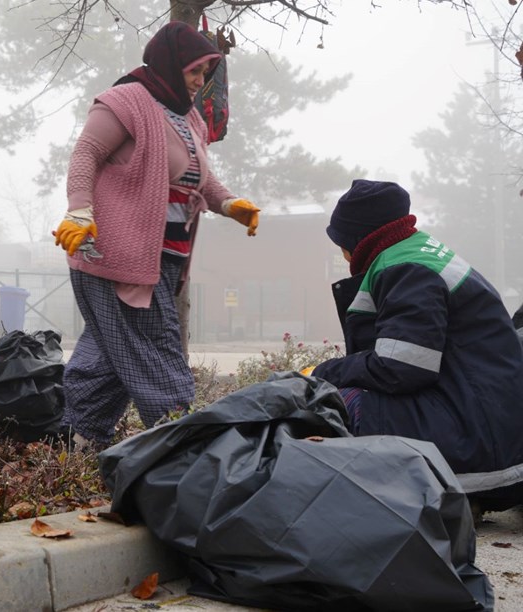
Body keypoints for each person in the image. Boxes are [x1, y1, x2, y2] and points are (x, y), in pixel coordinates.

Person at [54, 21, 261, 451]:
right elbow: (86, 154)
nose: (200, 82)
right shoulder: (125, 101)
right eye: (194, 72)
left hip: (164, 259)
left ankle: (79, 441)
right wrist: (78, 210)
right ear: (171, 64)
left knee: (108, 356)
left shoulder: (189, 119)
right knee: (156, 349)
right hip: (116, 254)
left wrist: (229, 204)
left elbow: (202, 179)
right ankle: (186, 446)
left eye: (205, 74)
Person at [308, 179, 523, 511]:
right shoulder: (417, 253)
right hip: (487, 427)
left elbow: (403, 367)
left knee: (337, 405)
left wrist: (324, 372)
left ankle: (443, 490)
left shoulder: (405, 268)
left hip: (479, 444)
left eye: (339, 241)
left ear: (355, 240)